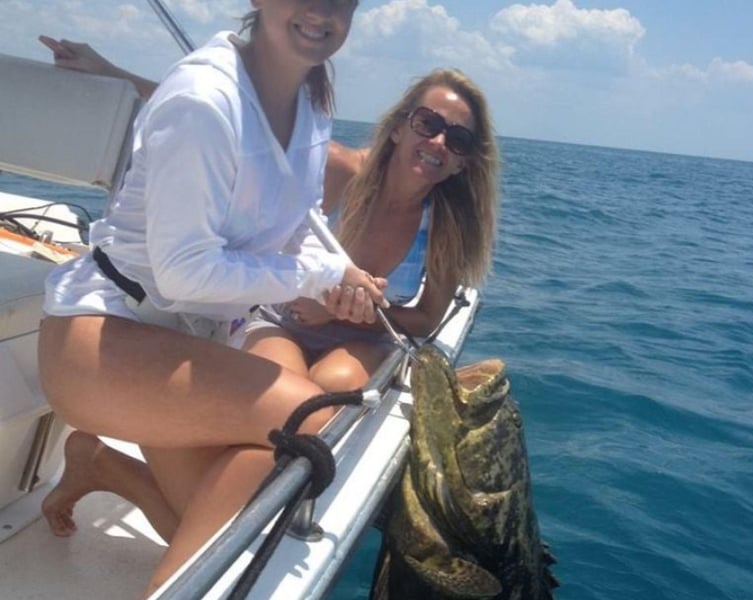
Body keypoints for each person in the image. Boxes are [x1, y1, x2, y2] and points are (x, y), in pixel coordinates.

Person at [36, 0, 381, 596]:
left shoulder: (311, 103)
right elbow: (182, 275)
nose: (322, 10)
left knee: (222, 538)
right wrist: (315, 276)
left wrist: (340, 272)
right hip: (103, 335)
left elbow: (296, 218)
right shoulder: (203, 99)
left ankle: (100, 466)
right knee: (309, 425)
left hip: (180, 342)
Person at [38, 35, 500, 392]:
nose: (438, 142)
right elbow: (226, 126)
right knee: (285, 396)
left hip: (364, 339)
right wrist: (110, 72)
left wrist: (352, 316)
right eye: (428, 124)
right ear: (400, 127)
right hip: (280, 318)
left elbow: (425, 319)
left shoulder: (447, 229)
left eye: (457, 141)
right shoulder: (337, 169)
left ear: (463, 161)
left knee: (333, 387)